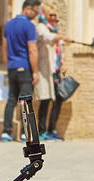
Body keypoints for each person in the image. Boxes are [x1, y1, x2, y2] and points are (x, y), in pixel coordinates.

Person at [1, 1, 40, 143]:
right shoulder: (29, 26)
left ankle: (6, 132)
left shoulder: (8, 24)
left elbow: (4, 48)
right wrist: (35, 72)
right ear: (28, 9)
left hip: (12, 67)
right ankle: (26, 134)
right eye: (35, 11)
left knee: (11, 100)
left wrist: (9, 64)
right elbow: (32, 50)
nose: (36, 15)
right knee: (25, 102)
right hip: (25, 68)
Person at [32, 5, 59, 140]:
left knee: (51, 100)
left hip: (52, 70)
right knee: (44, 100)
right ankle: (41, 130)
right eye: (50, 15)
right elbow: (47, 37)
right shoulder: (41, 28)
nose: (53, 18)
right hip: (42, 70)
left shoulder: (52, 29)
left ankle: (49, 129)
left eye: (55, 15)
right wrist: (61, 37)